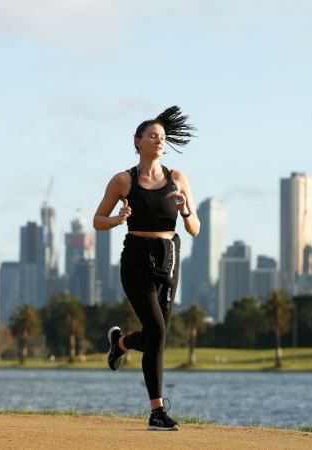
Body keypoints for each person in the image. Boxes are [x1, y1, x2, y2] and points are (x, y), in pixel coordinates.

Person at [93, 106, 200, 431]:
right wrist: (118, 219)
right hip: (136, 258)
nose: (158, 140)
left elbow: (195, 228)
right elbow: (98, 221)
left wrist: (184, 210)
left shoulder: (177, 178)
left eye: (162, 137)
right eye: (152, 135)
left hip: (169, 255)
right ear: (137, 141)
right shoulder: (123, 180)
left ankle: (121, 343)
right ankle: (157, 412)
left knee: (158, 335)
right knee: (156, 331)